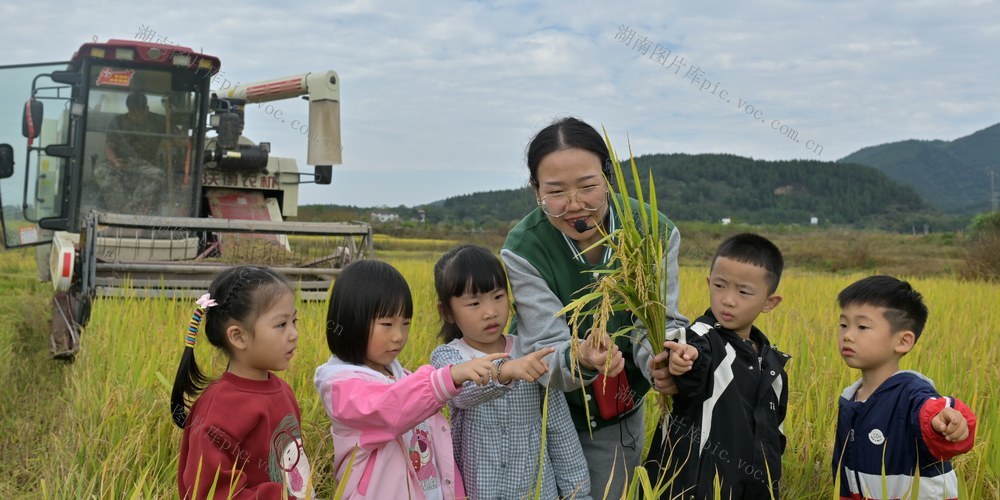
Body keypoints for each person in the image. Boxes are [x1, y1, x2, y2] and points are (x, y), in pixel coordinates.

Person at [500, 116, 690, 495]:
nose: (574, 205)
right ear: (535, 190)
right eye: (555, 191)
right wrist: (583, 357)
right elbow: (544, 348)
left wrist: (664, 360)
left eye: (587, 186)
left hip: (616, 412)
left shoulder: (653, 230)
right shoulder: (524, 248)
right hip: (542, 411)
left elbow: (656, 321)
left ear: (607, 177)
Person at [313, 259, 505, 499]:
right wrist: (449, 376)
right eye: (387, 324)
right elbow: (389, 409)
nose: (399, 336)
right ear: (351, 321)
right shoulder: (342, 388)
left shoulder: (399, 376)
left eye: (405, 324)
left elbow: (438, 447)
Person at [428, 245, 592, 499]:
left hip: (536, 490)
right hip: (479, 490)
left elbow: (559, 428)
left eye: (498, 296)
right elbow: (462, 394)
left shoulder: (531, 352)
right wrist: (507, 370)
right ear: (447, 312)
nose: (490, 312)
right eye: (474, 303)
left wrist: (578, 493)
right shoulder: (448, 359)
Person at [645, 233, 789, 499]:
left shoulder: (772, 367)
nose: (728, 300)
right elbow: (691, 356)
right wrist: (683, 360)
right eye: (720, 286)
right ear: (709, 283)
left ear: (769, 302)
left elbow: (774, 439)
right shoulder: (701, 338)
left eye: (744, 291)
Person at [171, 266, 313, 499]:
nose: (294, 333)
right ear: (238, 336)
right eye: (281, 325)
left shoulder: (283, 391)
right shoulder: (219, 409)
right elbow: (211, 492)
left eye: (294, 321)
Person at [832, 275, 977, 499]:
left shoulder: (912, 393)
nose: (847, 336)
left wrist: (948, 422)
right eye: (843, 324)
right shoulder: (850, 400)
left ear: (903, 341)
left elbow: (934, 411)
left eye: (862, 326)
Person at [97, 91, 167, 212]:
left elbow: (179, 140)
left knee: (158, 174)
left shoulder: (159, 121)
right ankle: (120, 209)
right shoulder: (117, 122)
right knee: (101, 171)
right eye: (132, 113)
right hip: (120, 163)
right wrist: (116, 162)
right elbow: (109, 147)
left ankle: (134, 208)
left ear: (146, 109)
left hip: (145, 165)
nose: (135, 117)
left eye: (139, 113)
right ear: (128, 109)